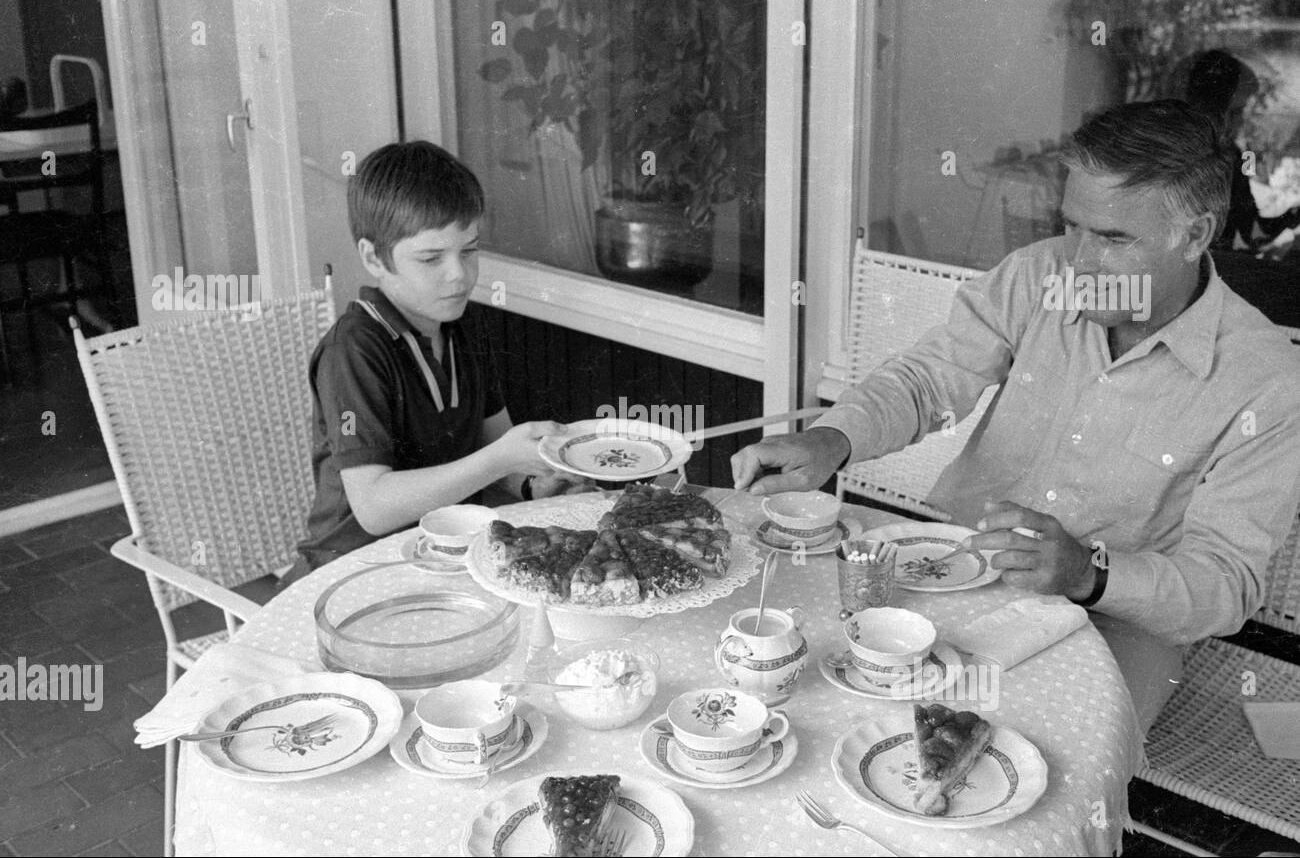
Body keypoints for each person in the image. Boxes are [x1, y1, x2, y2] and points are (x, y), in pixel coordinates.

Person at [731, 100, 1300, 733]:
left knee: (1020, 755)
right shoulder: (1038, 275)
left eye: (1113, 239)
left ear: (1194, 235)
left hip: (1116, 620)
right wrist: (831, 440)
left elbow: (1224, 585)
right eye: (1073, 226)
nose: (1080, 261)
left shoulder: (1268, 382)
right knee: (822, 701)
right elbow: (929, 379)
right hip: (963, 568)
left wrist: (1088, 573)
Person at [285, 141, 592, 582]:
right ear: (373, 258)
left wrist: (532, 483)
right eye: (431, 258)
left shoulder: (463, 324)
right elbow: (373, 507)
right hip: (354, 571)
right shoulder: (353, 351)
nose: (459, 275)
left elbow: (494, 448)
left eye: (469, 250)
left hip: (445, 559)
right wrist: (500, 460)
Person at [1186, 49, 1300, 254]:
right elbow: (1253, 233)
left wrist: (1292, 216)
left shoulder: (1235, 155)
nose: (1243, 120)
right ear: (1210, 106)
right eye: (1237, 111)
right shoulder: (1215, 156)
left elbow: (1253, 231)